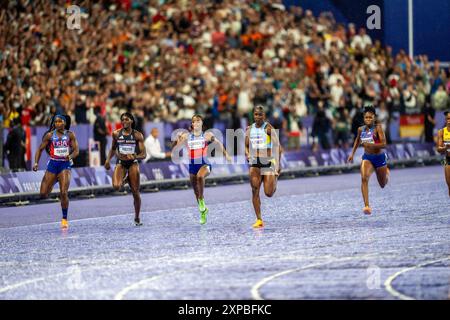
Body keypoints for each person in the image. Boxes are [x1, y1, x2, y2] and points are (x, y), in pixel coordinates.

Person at [173, 114, 231, 225]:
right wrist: (177, 139)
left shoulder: (207, 135)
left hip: (205, 164)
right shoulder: (187, 136)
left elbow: (218, 143)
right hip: (192, 166)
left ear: (202, 123)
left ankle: (201, 202)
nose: (197, 123)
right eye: (195, 121)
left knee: (200, 176)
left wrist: (226, 154)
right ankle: (203, 211)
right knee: (196, 191)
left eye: (199, 120)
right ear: (192, 124)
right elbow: (176, 148)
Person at [33, 114, 79, 229]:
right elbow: (39, 149)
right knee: (43, 193)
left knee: (63, 192)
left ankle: (64, 219)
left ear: (64, 123)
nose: (57, 124)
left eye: (60, 122)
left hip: (64, 165)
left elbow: (76, 150)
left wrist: (70, 156)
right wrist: (36, 163)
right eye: (56, 122)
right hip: (53, 165)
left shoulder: (70, 135)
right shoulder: (49, 136)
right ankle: (54, 180)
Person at [104, 112, 146, 226]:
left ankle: (137, 217)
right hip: (121, 162)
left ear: (131, 121)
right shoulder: (116, 134)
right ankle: (127, 179)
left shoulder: (137, 135)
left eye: (126, 119)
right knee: (117, 186)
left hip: (133, 163)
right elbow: (113, 148)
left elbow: (144, 154)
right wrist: (107, 160)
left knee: (135, 192)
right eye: (122, 120)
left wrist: (135, 156)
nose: (124, 122)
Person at [347, 106, 389, 215]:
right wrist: (352, 154)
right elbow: (357, 140)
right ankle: (366, 206)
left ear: (374, 117)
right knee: (364, 178)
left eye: (370, 117)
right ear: (364, 118)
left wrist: (370, 144)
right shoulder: (360, 129)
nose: (368, 119)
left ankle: (386, 173)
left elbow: (384, 144)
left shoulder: (378, 128)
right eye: (366, 117)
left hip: (379, 158)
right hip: (367, 157)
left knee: (382, 184)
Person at [245, 105, 282, 228]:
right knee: (255, 190)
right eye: (256, 114)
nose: (258, 117)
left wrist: (278, 164)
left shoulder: (268, 128)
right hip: (255, 162)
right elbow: (245, 145)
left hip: (268, 161)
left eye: (260, 115)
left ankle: (275, 178)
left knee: (268, 193)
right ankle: (259, 219)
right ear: (253, 115)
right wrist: (247, 154)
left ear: (264, 116)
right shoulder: (249, 129)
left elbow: (278, 147)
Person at [436, 111, 450, 197]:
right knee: (449, 186)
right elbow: (438, 149)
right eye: (448, 118)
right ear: (445, 120)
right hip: (447, 160)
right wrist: (445, 148)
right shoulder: (441, 132)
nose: (449, 120)